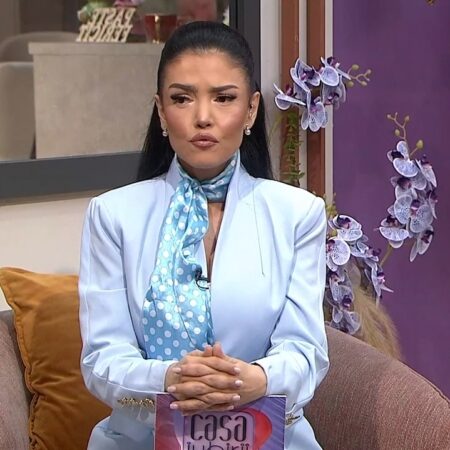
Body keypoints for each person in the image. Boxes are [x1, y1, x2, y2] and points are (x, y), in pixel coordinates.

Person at [78, 21, 329, 450]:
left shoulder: (298, 214)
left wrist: (253, 379)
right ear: (161, 111)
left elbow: (305, 352)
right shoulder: (112, 215)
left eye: (224, 98)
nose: (203, 117)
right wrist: (170, 379)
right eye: (182, 98)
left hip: (269, 438)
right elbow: (102, 359)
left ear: (251, 110)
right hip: (138, 441)